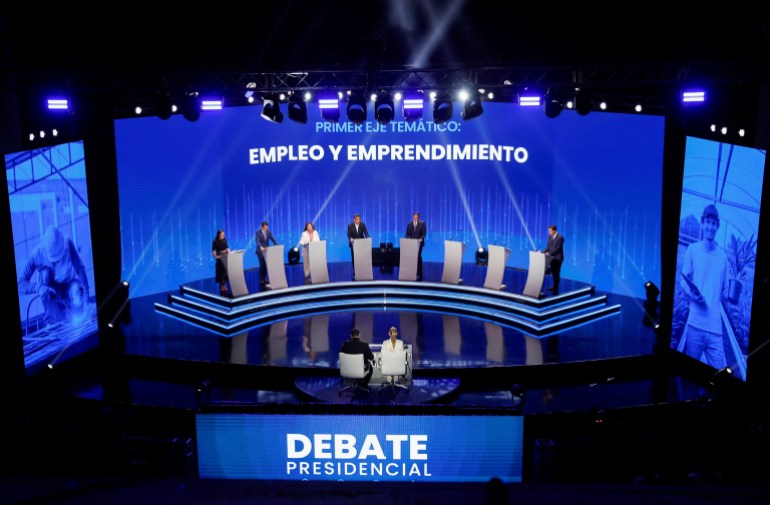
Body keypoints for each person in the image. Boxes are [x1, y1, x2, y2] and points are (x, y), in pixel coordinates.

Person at [680, 203, 729, 370]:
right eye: (707, 222)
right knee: (689, 376)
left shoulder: (723, 257)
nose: (710, 227)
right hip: (695, 325)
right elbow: (683, 281)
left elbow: (724, 292)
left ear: (717, 227)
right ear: (702, 223)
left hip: (715, 328)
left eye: (713, 223)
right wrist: (692, 296)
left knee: (719, 374)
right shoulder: (692, 250)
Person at [17, 225, 91, 326]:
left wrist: (86, 297)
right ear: (45, 250)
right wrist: (39, 288)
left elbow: (79, 268)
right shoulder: (36, 254)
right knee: (45, 274)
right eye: (54, 259)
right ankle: (53, 320)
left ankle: (74, 310)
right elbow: (20, 283)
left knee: (78, 302)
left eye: (60, 258)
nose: (57, 261)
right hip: (51, 292)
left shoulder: (67, 243)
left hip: (69, 286)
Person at [542, 224, 564, 294]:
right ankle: (554, 286)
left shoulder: (560, 238)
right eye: (548, 231)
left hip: (557, 258)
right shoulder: (550, 237)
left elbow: (557, 249)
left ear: (554, 230)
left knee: (556, 273)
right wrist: (542, 252)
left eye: (550, 231)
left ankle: (556, 287)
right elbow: (548, 247)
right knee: (553, 273)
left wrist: (548, 254)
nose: (549, 232)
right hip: (551, 258)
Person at [405, 212, 427, 280]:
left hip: (419, 243)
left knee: (418, 257)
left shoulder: (422, 224)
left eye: (416, 217)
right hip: (411, 244)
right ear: (413, 217)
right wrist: (405, 240)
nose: (415, 218)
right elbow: (407, 234)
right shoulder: (409, 224)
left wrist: (421, 238)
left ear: (418, 218)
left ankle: (419, 273)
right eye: (414, 217)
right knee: (412, 258)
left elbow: (424, 233)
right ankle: (412, 272)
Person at [255, 221, 278, 285]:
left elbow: (272, 238)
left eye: (267, 227)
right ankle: (261, 279)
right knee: (262, 265)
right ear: (262, 227)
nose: (266, 228)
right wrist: (261, 247)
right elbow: (257, 241)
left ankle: (265, 278)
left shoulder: (268, 232)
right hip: (260, 251)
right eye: (265, 227)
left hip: (267, 250)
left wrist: (276, 244)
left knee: (265, 265)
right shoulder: (258, 233)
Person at [212, 229, 231, 294]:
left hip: (225, 256)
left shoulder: (224, 240)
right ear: (219, 234)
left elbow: (227, 248)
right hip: (219, 257)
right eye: (222, 234)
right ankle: (222, 285)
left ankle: (224, 284)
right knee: (221, 272)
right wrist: (216, 256)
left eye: (224, 234)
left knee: (225, 272)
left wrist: (230, 252)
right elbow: (213, 250)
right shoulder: (215, 241)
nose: (223, 235)